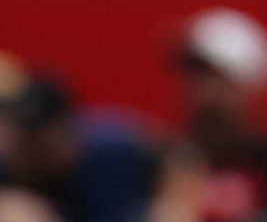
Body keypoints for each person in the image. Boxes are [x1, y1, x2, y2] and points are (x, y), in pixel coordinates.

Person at [149, 10, 267, 222]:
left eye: (217, 79)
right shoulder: (156, 161)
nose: (203, 93)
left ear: (251, 87)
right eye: (193, 76)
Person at [0, 78, 155, 222]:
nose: (32, 154)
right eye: (25, 142)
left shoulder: (113, 155)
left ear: (67, 132)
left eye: (40, 144)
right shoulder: (8, 169)